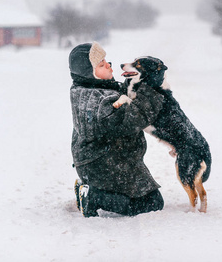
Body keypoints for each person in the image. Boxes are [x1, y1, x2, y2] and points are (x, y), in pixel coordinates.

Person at [69, 42, 165, 217]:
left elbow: (123, 95)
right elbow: (131, 120)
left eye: (105, 60)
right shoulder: (94, 100)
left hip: (109, 159)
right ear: (89, 73)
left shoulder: (94, 88)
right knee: (152, 203)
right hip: (103, 164)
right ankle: (93, 196)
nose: (108, 65)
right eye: (100, 64)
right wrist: (150, 90)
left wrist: (135, 81)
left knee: (150, 197)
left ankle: (91, 189)